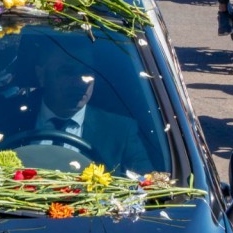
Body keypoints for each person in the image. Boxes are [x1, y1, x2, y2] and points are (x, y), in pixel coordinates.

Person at [13, 43, 152, 174]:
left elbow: (146, 185)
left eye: (87, 72)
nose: (80, 82)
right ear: (41, 75)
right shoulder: (7, 120)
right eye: (67, 71)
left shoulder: (120, 131)